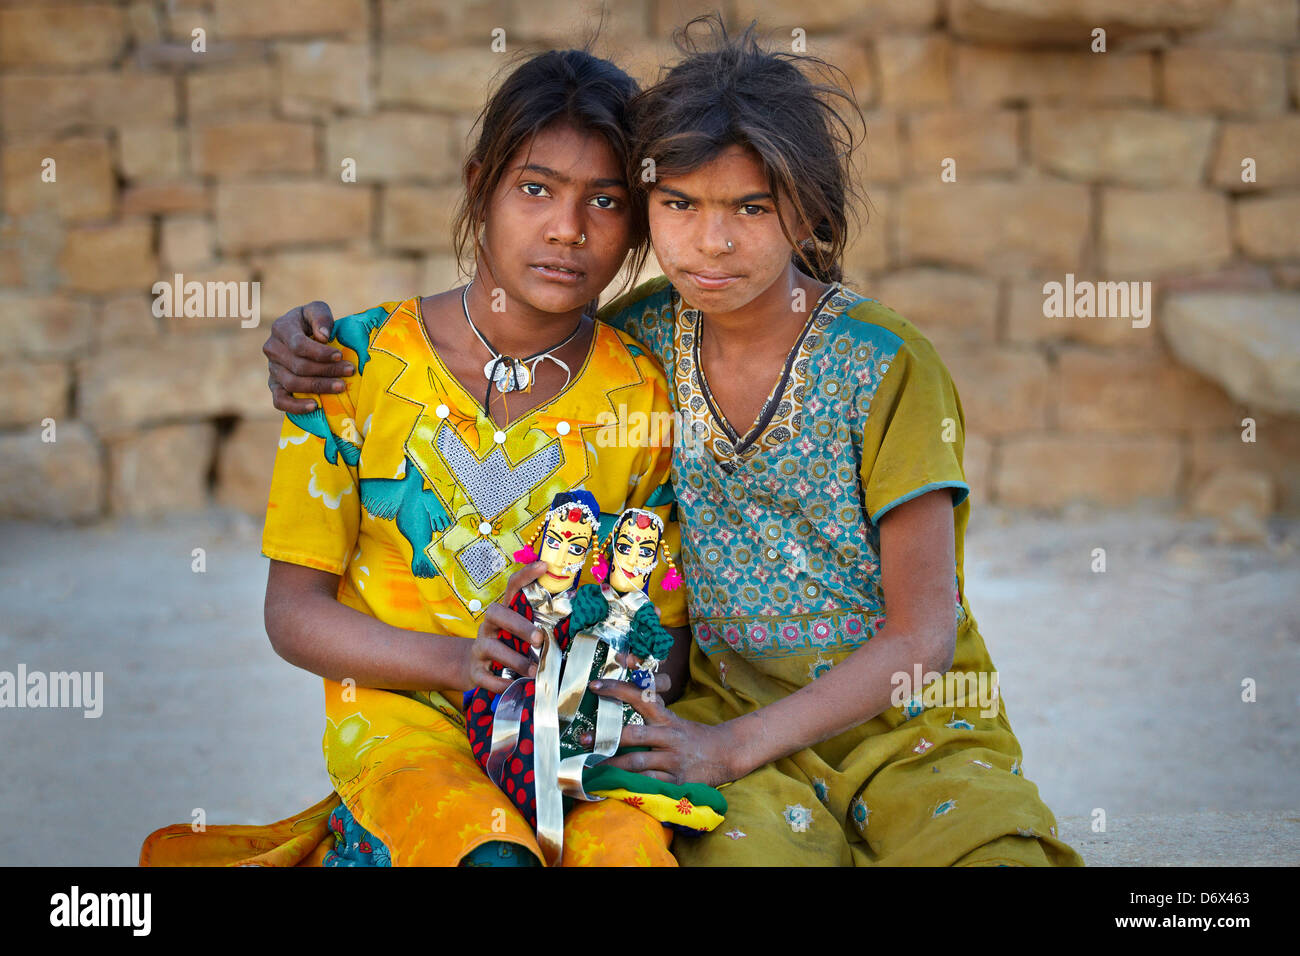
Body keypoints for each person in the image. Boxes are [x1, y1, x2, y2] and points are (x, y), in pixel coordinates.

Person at [263, 16, 1083, 867]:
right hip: (604, 727)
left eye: (752, 208)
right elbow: (297, 606)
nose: (713, 240)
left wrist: (682, 729)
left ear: (807, 210)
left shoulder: (827, 368)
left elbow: (911, 637)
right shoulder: (601, 349)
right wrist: (303, 347)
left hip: (880, 732)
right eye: (680, 205)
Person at [140, 46, 689, 868]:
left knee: (628, 855)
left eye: (605, 202)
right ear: (479, 186)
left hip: (569, 737)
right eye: (534, 188)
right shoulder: (353, 365)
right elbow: (293, 613)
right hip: (397, 723)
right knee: (486, 855)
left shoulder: (641, 399)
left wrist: (591, 674)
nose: (567, 229)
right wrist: (457, 663)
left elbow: (665, 635)